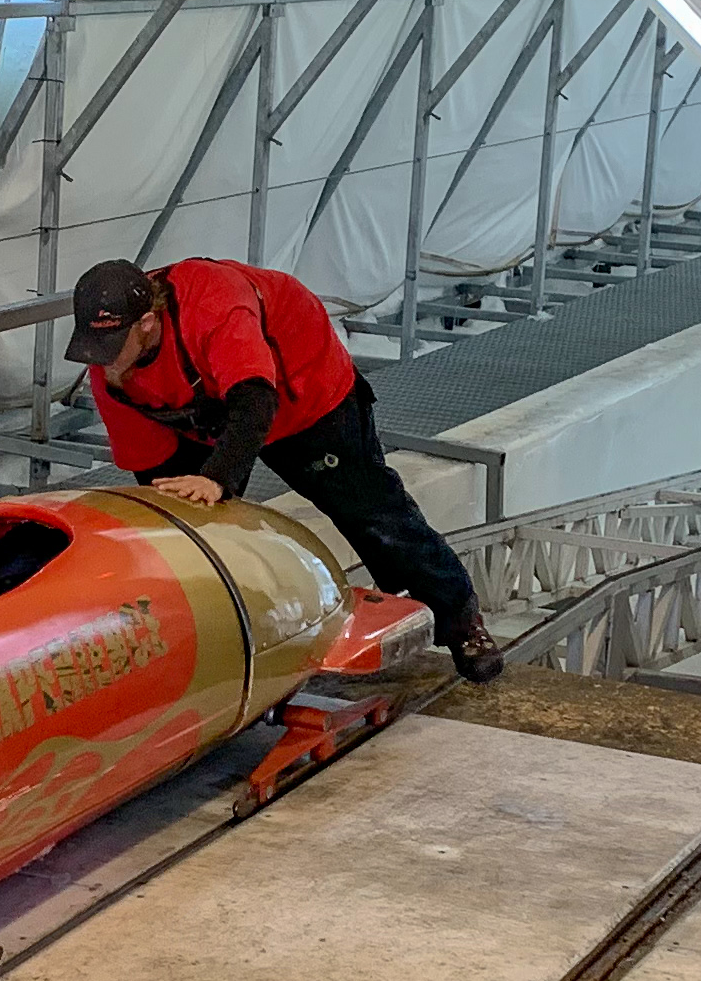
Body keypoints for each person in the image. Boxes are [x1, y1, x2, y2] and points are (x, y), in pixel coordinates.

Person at [64, 256, 505, 683]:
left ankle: (459, 622)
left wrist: (218, 478)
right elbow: (150, 463)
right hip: (212, 418)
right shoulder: (112, 370)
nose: (101, 361)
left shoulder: (213, 303)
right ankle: (222, 650)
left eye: (110, 348)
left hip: (306, 398)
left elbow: (256, 398)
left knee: (372, 515)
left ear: (147, 323)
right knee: (194, 534)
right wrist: (183, 513)